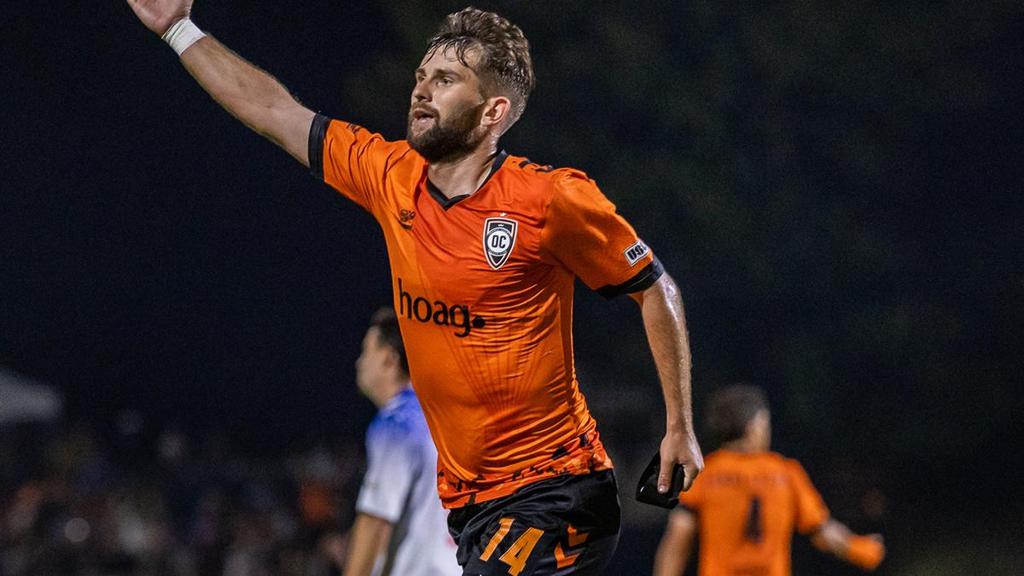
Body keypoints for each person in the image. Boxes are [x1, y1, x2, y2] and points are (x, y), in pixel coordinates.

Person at [127, 3, 703, 573]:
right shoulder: (389, 174)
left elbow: (655, 288)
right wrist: (179, 30)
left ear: (493, 110)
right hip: (472, 507)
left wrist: (679, 427)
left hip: (557, 491)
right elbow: (274, 111)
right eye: (422, 76)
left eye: (446, 80)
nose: (421, 90)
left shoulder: (551, 200)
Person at [652, 384, 885, 576]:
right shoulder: (785, 473)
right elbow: (823, 533)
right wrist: (862, 549)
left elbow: (678, 537)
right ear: (755, 426)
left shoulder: (706, 473)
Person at [344, 307, 460, 576]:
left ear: (389, 359)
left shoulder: (396, 424)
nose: (359, 362)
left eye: (366, 352)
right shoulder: (442, 418)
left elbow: (374, 521)